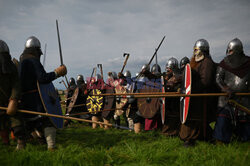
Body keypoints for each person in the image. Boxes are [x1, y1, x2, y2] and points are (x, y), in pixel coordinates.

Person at [19, 36, 67, 150]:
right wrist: (57, 73)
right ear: (36, 50)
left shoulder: (21, 63)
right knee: (47, 121)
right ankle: (51, 147)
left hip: (25, 100)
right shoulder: (33, 61)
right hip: (36, 100)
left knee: (30, 122)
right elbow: (43, 78)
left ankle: (29, 144)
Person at [179, 39, 217, 147]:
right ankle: (205, 137)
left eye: (197, 50)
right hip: (195, 96)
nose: (195, 52)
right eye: (194, 50)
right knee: (194, 119)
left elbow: (206, 81)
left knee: (195, 118)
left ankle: (190, 139)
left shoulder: (207, 62)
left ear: (203, 50)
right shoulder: (197, 63)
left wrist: (191, 90)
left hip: (203, 97)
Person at [213, 38, 250, 143]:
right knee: (223, 121)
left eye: (230, 51)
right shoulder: (224, 63)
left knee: (245, 125)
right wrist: (225, 88)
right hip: (227, 99)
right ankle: (222, 139)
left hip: (245, 99)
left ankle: (242, 139)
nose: (230, 53)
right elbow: (218, 79)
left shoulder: (248, 63)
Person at [0, 39, 25, 149]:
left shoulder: (11, 66)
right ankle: (6, 143)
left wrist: (13, 99)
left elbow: (16, 84)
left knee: (16, 122)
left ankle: (21, 142)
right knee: (2, 124)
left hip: (10, 100)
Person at [161, 57, 182, 136]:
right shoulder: (169, 77)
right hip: (170, 101)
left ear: (173, 68)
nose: (167, 71)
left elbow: (180, 85)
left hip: (176, 101)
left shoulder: (179, 76)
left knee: (175, 116)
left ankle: (174, 132)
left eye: (168, 69)